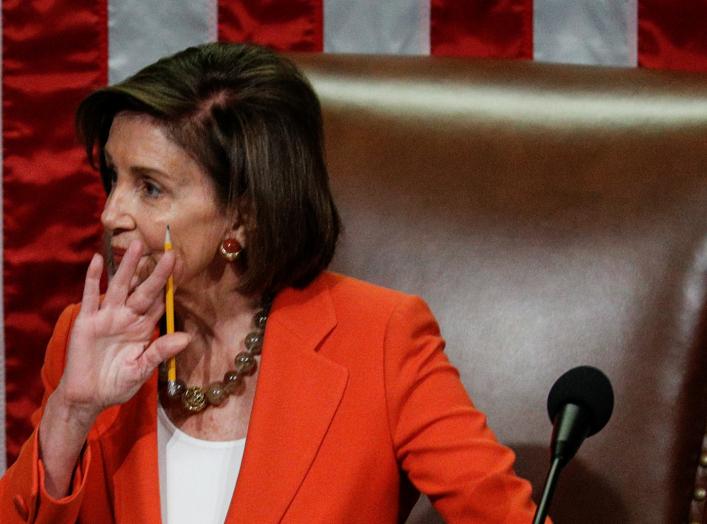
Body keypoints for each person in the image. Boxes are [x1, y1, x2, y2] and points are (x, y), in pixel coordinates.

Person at [0, 43, 544, 523]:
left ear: (242, 215)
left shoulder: (381, 339)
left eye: (150, 188)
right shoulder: (88, 338)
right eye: (114, 178)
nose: (110, 213)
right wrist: (72, 414)